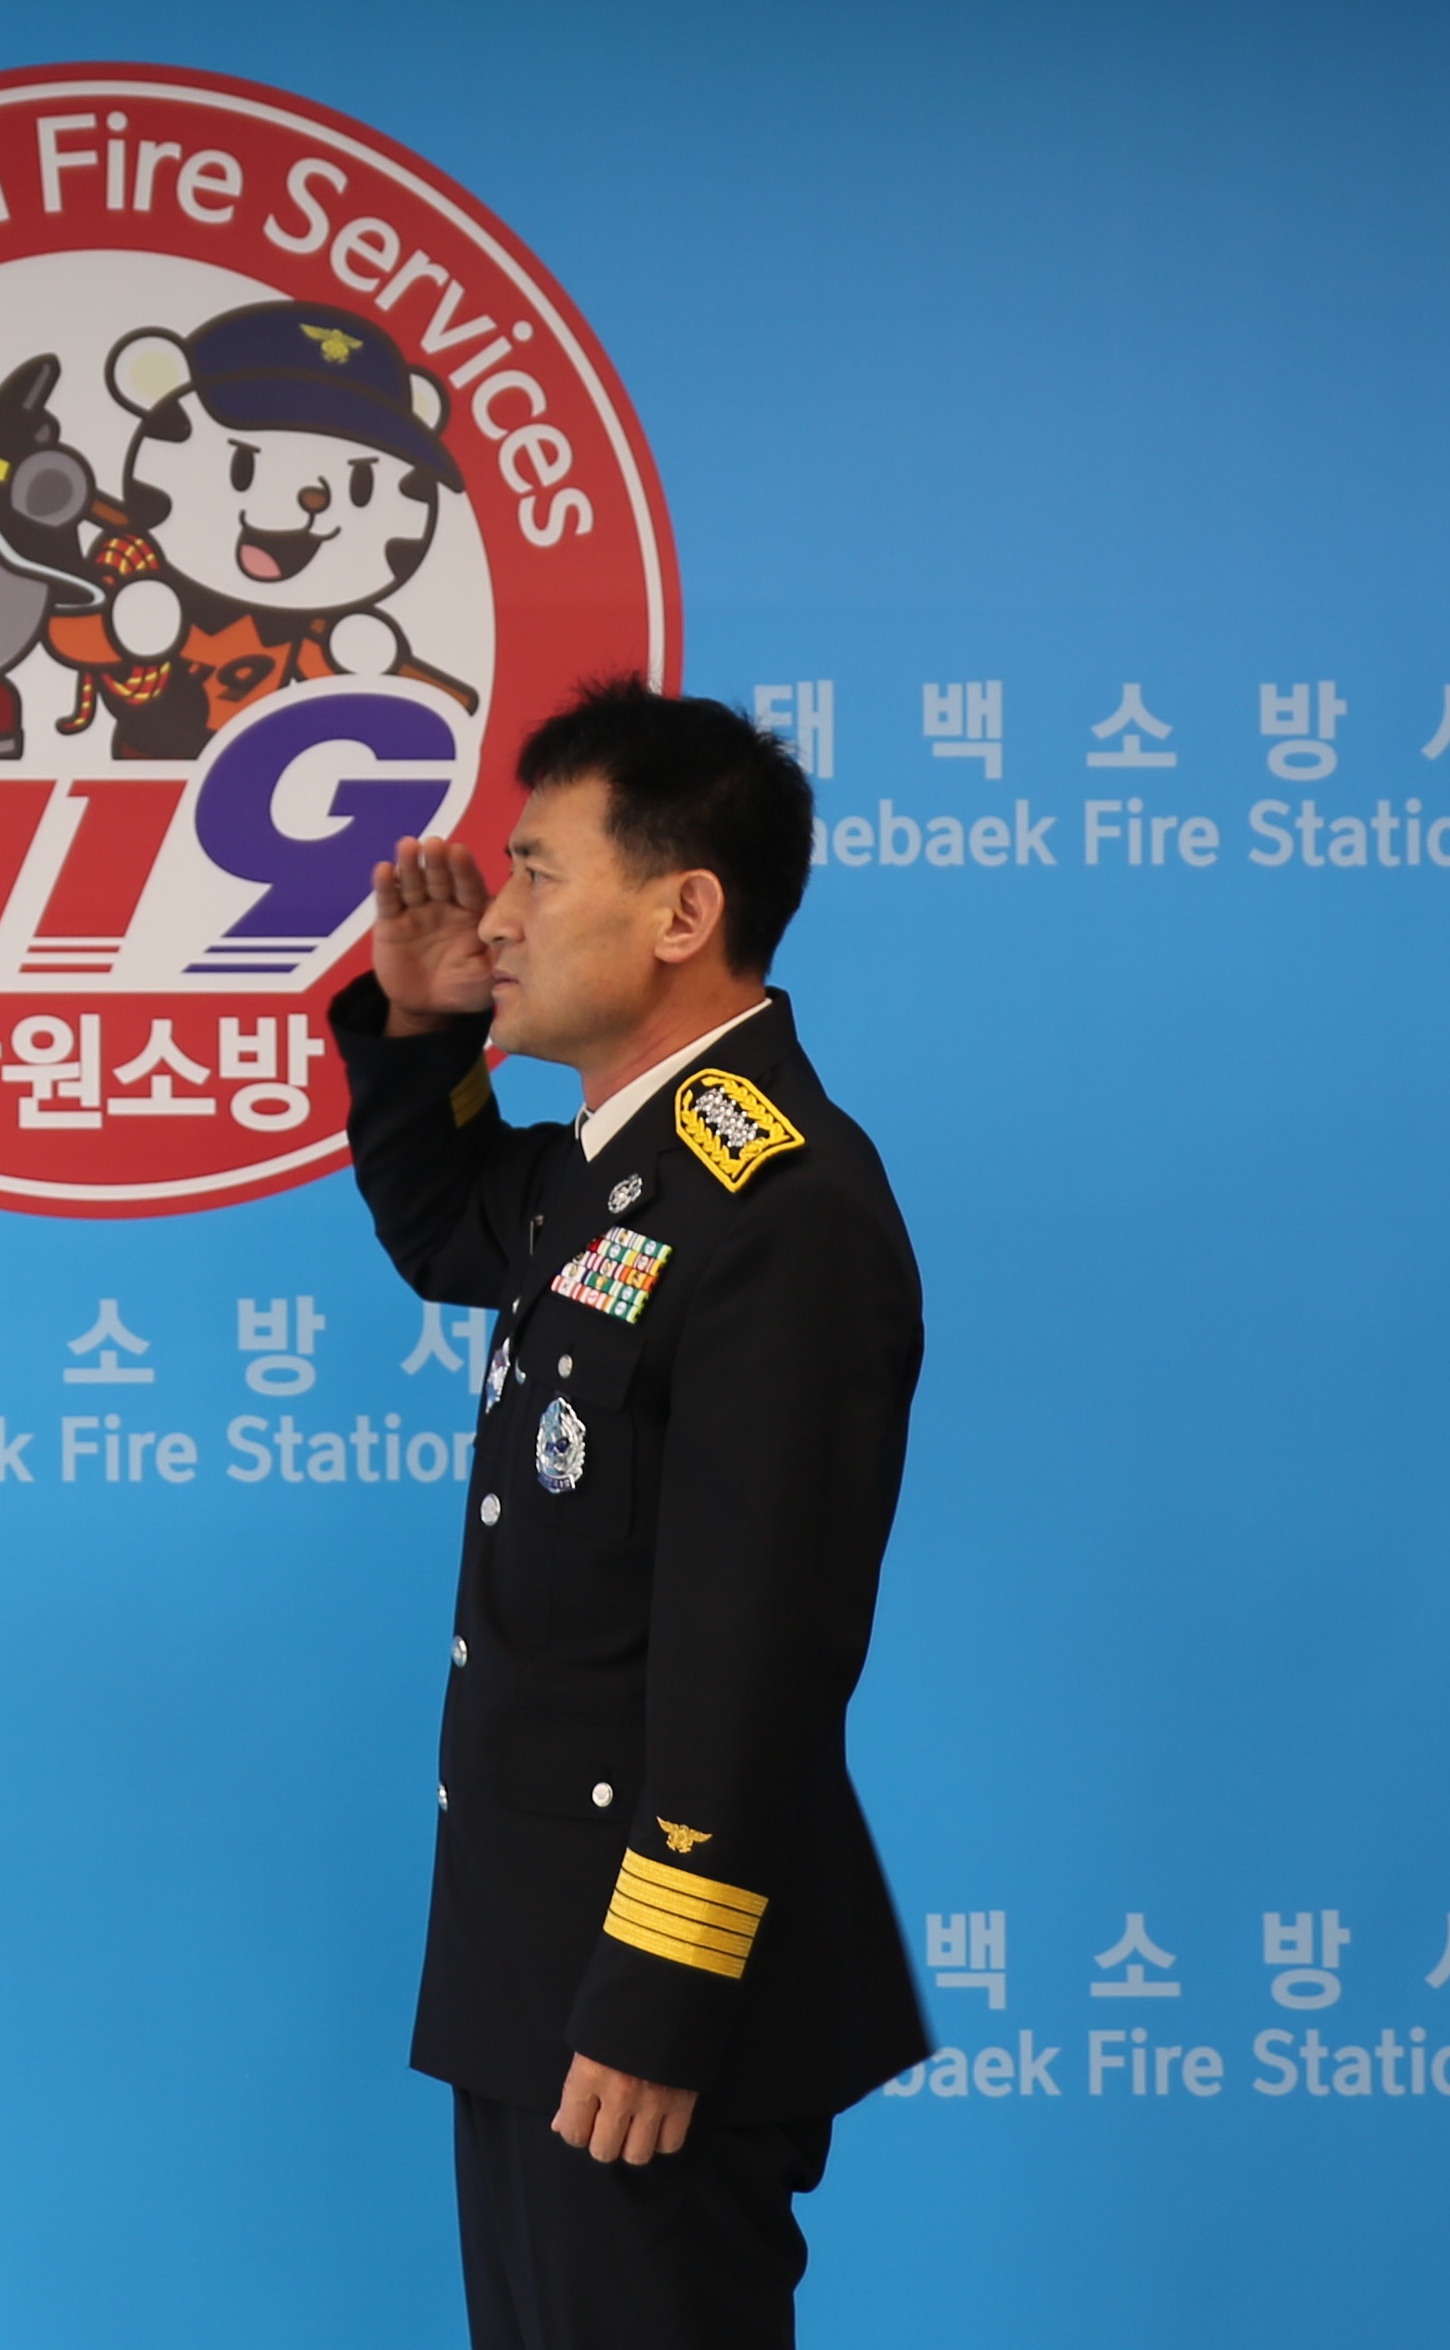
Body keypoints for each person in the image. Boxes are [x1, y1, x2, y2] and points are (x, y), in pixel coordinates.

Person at [329, 678, 929, 2347]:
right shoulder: (622, 1171)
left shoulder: (782, 1204)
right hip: (537, 1970)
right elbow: (446, 1226)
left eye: (537, 872)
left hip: (646, 1999)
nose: (496, 917)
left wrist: (662, 1990)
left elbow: (759, 1646)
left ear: (682, 914)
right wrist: (426, 1026)